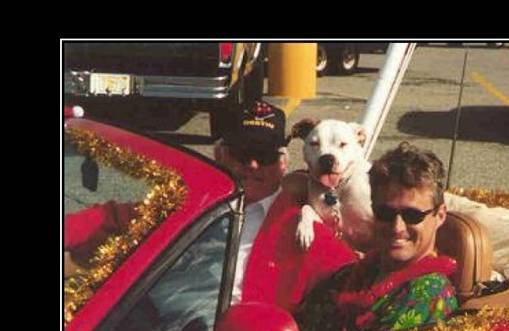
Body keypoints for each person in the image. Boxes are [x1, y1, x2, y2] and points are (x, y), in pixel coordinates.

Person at [65, 100, 356, 315]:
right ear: (220, 155)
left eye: (264, 156)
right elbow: (108, 217)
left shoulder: (300, 226)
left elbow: (356, 281)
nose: (253, 165)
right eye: (242, 154)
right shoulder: (189, 200)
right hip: (150, 326)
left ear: (282, 164)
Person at [295, 142, 459, 331]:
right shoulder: (349, 276)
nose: (397, 227)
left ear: (440, 215)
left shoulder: (428, 294)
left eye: (412, 215)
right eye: (385, 213)